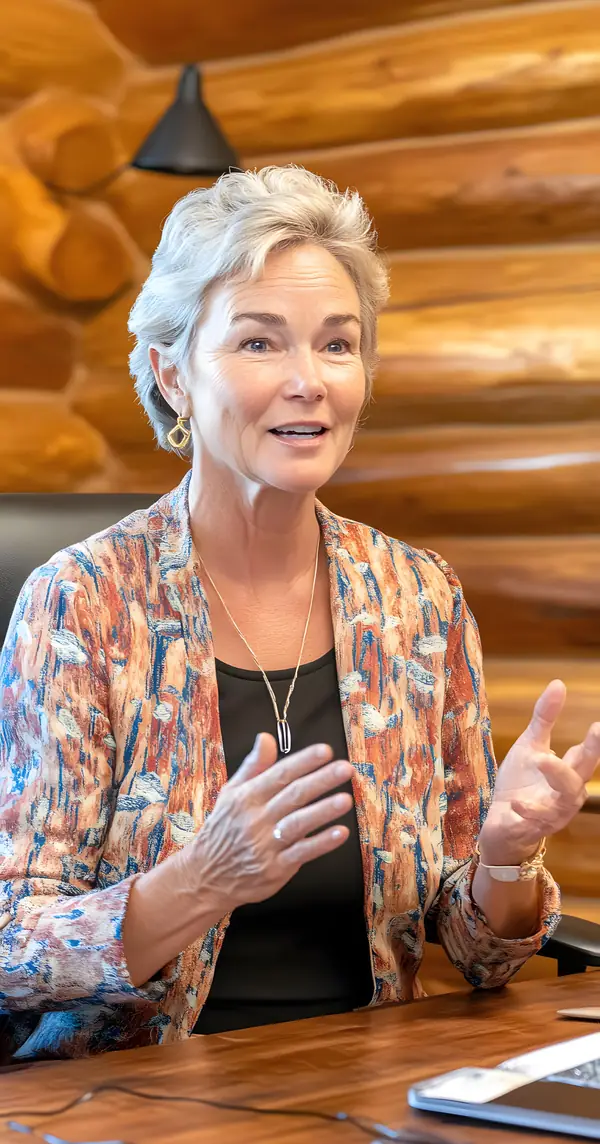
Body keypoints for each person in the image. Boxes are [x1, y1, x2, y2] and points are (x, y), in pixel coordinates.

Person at [0, 166, 598, 1063]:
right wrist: (199, 883)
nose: (308, 382)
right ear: (171, 374)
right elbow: (13, 946)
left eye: (337, 344)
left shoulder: (418, 596)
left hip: (368, 1089)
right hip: (130, 1104)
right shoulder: (81, 603)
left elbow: (480, 953)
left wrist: (507, 855)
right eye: (259, 343)